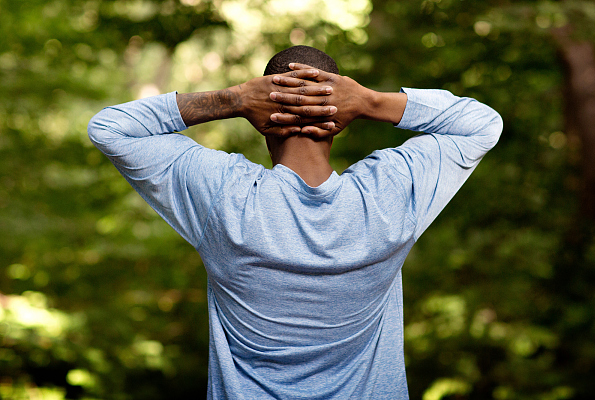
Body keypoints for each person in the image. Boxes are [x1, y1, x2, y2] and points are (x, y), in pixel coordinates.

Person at [88, 45, 502, 399]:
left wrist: (232, 99)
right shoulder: (389, 195)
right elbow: (482, 125)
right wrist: (370, 101)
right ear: (337, 121)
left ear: (263, 121)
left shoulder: (223, 196)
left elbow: (111, 128)